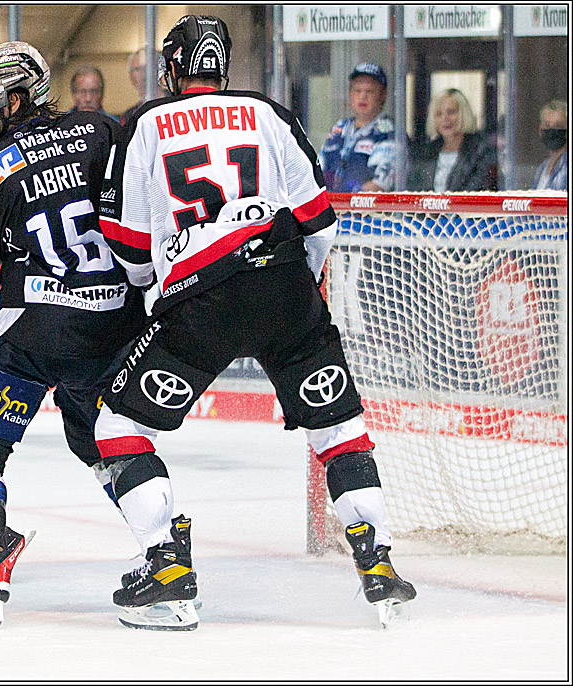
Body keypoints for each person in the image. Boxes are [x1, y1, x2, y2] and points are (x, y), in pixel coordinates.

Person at [97, 15, 417, 628]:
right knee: (339, 428)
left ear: (171, 69)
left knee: (116, 429)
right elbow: (319, 220)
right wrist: (301, 293)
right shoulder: (268, 112)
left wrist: (155, 295)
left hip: (201, 301)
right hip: (286, 287)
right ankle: (376, 562)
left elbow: (133, 247)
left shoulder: (143, 123)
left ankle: (166, 569)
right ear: (221, 66)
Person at [0, 41, 182, 630]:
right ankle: (172, 570)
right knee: (103, 438)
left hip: (34, 328)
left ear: (16, 98)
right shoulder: (101, 129)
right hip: (116, 320)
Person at [319, 63, 398, 192]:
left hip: (365, 211)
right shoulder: (340, 128)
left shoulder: (389, 132)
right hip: (330, 208)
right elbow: (318, 171)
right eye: (357, 90)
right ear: (350, 94)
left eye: (370, 91)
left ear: (383, 95)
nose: (362, 96)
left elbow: (379, 184)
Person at [407, 88, 497, 192]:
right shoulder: (427, 152)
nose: (445, 118)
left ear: (464, 114)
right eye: (439, 114)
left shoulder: (480, 151)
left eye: (451, 112)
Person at [121, 47, 162, 126]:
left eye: (147, 68)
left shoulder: (175, 103)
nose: (143, 74)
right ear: (130, 76)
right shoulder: (128, 116)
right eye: (138, 69)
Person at [534, 99, 567, 191]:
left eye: (558, 126)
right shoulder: (542, 168)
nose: (552, 131)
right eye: (547, 125)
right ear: (540, 130)